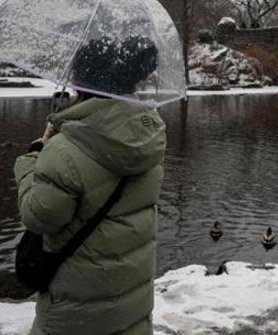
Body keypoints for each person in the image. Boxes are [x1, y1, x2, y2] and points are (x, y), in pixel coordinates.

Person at [14, 36, 165, 335]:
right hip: (131, 302)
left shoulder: (64, 151)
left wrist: (33, 159)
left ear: (83, 83)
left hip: (77, 311)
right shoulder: (149, 137)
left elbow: (39, 216)